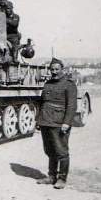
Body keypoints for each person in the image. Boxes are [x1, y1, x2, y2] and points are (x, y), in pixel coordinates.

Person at [36, 58, 78, 189]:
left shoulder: (69, 84)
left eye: (56, 69)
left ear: (62, 69)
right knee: (49, 150)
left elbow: (71, 106)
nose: (54, 72)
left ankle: (62, 179)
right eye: (52, 69)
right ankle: (51, 176)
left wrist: (66, 123)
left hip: (59, 123)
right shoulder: (48, 83)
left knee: (61, 151)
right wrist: (39, 120)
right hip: (45, 121)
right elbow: (42, 103)